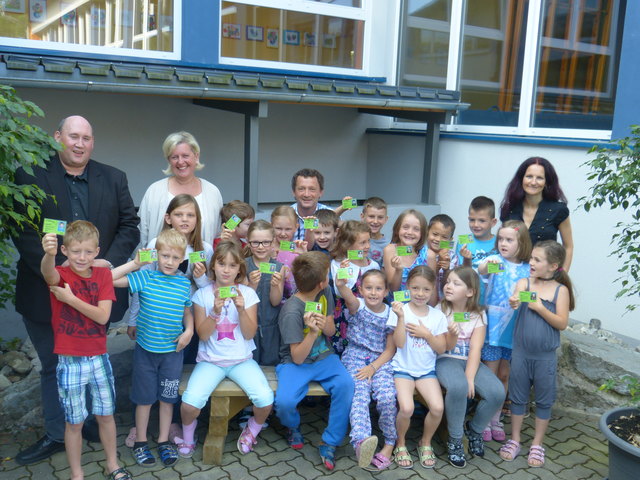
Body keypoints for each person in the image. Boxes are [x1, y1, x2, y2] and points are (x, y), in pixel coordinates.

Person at [12, 115, 140, 465]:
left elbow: (130, 226)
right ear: (58, 138)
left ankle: (82, 423)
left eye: (86, 138)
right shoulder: (30, 176)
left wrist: (106, 264)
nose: (79, 144)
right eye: (73, 136)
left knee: (92, 362)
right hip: (47, 294)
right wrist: (59, 273)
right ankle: (57, 433)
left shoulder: (114, 178)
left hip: (98, 295)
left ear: (92, 142)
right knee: (54, 366)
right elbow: (23, 234)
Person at [40, 221, 132, 480]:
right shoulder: (61, 273)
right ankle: (77, 473)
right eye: (76, 251)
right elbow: (48, 274)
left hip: (99, 358)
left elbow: (103, 317)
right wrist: (48, 254)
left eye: (88, 252)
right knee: (74, 422)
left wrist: (70, 299)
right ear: (65, 250)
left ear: (97, 252)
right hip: (70, 361)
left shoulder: (103, 276)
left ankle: (112, 464)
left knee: (106, 415)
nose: (82, 257)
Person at [125, 194, 213, 447]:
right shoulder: (156, 244)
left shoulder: (203, 250)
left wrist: (203, 278)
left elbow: (206, 291)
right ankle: (138, 425)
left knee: (174, 377)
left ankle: (172, 424)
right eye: (179, 214)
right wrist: (133, 320)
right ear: (168, 218)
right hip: (154, 323)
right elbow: (141, 284)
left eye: (190, 215)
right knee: (144, 376)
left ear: (197, 220)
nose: (185, 219)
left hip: (188, 323)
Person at [178, 241, 274, 458]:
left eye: (232, 265)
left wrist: (241, 310)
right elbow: (202, 335)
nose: (226, 270)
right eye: (222, 264)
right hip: (210, 361)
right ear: (213, 267)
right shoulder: (202, 294)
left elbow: (249, 334)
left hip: (241, 360)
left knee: (265, 400)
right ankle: (188, 435)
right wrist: (214, 312)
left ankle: (252, 430)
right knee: (189, 405)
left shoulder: (248, 294)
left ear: (240, 269)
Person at [111, 229, 194, 468]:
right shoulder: (145, 278)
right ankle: (141, 443)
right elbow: (108, 280)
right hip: (146, 353)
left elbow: (187, 312)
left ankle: (163, 441)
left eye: (175, 258)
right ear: (156, 255)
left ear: (182, 259)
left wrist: (188, 331)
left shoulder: (183, 283)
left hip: (172, 355)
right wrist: (135, 264)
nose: (169, 262)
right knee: (144, 400)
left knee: (168, 400)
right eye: (165, 256)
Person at [275, 251, 354, 471]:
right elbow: (298, 358)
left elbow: (330, 329)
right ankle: (292, 426)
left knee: (346, 385)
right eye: (327, 275)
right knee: (285, 402)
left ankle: (330, 441)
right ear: (321, 282)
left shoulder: (325, 292)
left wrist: (322, 325)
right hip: (294, 362)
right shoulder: (291, 311)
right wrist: (311, 333)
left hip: (324, 356)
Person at [499, 241, 574, 468]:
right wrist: (514, 300)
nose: (531, 262)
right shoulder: (524, 283)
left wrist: (541, 308)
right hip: (520, 354)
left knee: (543, 401)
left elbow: (561, 323)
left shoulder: (561, 291)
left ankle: (537, 443)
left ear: (553, 266)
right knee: (518, 397)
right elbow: (516, 296)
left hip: (545, 358)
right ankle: (515, 439)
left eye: (537, 260)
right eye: (531, 258)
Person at [436, 266, 505, 468]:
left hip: (469, 360)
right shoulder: (441, 310)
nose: (449, 286)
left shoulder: (479, 314)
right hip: (445, 358)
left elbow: (476, 348)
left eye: (456, 283)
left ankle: (474, 430)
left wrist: (469, 377)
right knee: (457, 387)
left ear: (470, 292)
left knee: (497, 392)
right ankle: (455, 439)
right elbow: (442, 345)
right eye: (448, 281)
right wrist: (453, 335)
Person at [335, 270, 397, 471]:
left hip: (380, 361)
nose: (373, 292)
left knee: (387, 396)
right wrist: (342, 283)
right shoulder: (357, 305)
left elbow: (390, 349)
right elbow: (346, 294)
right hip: (355, 357)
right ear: (360, 290)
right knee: (359, 395)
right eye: (368, 288)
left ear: (386, 291)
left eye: (378, 288)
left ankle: (390, 440)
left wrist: (373, 367)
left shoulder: (391, 313)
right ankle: (362, 443)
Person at [388, 266, 448, 469]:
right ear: (407, 287)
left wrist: (427, 334)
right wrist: (401, 318)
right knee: (406, 408)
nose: (420, 294)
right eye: (415, 288)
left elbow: (441, 348)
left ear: (433, 289)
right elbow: (399, 344)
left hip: (426, 371)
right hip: (402, 369)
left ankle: (425, 441)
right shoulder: (399, 310)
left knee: (438, 408)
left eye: (426, 289)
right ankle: (401, 443)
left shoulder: (437, 316)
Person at [477, 220, 532, 441]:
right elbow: (480, 269)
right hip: (492, 328)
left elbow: (532, 295)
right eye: (500, 239)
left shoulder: (528, 268)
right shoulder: (496, 262)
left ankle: (496, 418)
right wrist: (485, 263)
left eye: (509, 240)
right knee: (490, 374)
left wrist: (522, 297)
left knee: (504, 374)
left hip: (513, 329)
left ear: (522, 243)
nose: (503, 243)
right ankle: (484, 421)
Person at [138, 131, 223, 248]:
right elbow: (143, 233)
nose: (180, 162)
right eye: (174, 157)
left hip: (201, 264)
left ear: (196, 156)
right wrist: (146, 264)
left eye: (185, 156)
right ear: (169, 160)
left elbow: (218, 233)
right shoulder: (154, 191)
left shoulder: (212, 192)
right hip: (160, 264)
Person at [499, 157, 573, 270]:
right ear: (521, 179)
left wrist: (562, 275)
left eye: (539, 178)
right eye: (529, 176)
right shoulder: (510, 208)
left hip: (543, 276)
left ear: (546, 182)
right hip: (511, 275)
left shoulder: (558, 210)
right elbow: (502, 242)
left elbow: (568, 246)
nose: (533, 182)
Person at [328, 220, 380, 354]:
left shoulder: (373, 265)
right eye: (362, 243)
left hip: (367, 315)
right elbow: (338, 290)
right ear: (348, 245)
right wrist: (343, 273)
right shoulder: (338, 263)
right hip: (345, 314)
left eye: (368, 241)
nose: (367, 246)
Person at [245, 220, 286, 366]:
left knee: (271, 363)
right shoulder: (244, 265)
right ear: (248, 243)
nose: (261, 247)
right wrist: (252, 284)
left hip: (271, 327)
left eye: (265, 242)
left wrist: (275, 286)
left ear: (273, 242)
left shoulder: (278, 267)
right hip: (249, 326)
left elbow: (275, 302)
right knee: (250, 363)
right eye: (255, 243)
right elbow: (243, 301)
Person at [456, 196, 498, 305]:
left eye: (482, 221)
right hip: (468, 298)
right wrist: (467, 259)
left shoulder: (499, 242)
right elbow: (462, 273)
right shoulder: (463, 240)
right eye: (472, 220)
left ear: (493, 222)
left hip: (492, 298)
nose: (475, 225)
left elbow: (502, 269)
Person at [382, 209, 429, 293]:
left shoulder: (428, 255)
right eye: (405, 227)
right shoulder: (390, 250)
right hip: (396, 305)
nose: (410, 232)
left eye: (416, 229)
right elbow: (393, 289)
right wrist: (398, 270)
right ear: (397, 229)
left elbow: (432, 289)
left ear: (422, 233)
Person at [271, 206, 307, 299]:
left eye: (288, 229)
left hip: (292, 299)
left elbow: (308, 274)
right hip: (270, 297)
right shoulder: (266, 246)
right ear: (271, 226)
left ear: (296, 227)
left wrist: (304, 255)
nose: (283, 233)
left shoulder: (298, 248)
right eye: (278, 228)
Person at [361, 197, 390, 264]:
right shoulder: (354, 240)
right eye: (371, 216)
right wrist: (342, 208)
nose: (375, 221)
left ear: (386, 219)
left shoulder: (389, 245)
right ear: (362, 217)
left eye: (380, 217)